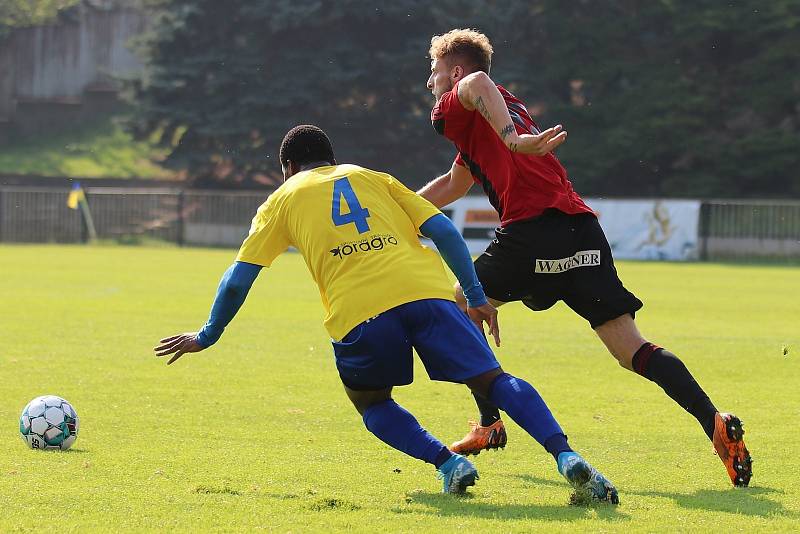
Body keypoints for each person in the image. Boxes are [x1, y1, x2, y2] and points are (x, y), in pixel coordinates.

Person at [154, 124, 619, 503]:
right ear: (331, 158)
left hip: (360, 313)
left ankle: (448, 463)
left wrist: (209, 333)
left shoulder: (283, 198)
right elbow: (447, 232)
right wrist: (476, 294)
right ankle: (565, 455)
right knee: (493, 380)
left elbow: (239, 277)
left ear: (289, 168)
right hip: (428, 296)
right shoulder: (374, 178)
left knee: (372, 402)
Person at [418, 29, 752, 487]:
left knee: (463, 300)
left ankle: (489, 423)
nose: (429, 82)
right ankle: (713, 421)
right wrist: (400, 210)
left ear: (453, 71)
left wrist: (513, 140)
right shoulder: (496, 113)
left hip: (530, 233)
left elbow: (476, 83)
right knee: (630, 348)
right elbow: (454, 184)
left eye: (434, 72)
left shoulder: (469, 95)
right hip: (580, 230)